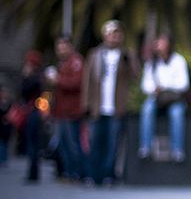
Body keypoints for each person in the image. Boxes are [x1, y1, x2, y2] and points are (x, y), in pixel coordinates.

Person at [81, 20, 139, 186]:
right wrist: (86, 105)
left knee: (113, 145)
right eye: (112, 33)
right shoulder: (94, 55)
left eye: (118, 33)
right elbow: (87, 82)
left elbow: (136, 77)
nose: (115, 37)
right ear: (105, 35)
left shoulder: (127, 54)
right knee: (95, 143)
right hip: (97, 107)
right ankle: (93, 176)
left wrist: (130, 60)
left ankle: (108, 175)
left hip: (117, 107)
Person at [137, 33, 190, 163]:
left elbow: (184, 84)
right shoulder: (151, 63)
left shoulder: (178, 60)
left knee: (176, 113)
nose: (159, 45)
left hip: (174, 99)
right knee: (147, 109)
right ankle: (145, 147)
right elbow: (145, 85)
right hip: (157, 99)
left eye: (162, 42)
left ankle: (177, 150)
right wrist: (154, 89)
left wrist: (165, 87)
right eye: (158, 43)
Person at [46, 36, 86, 181]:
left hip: (72, 112)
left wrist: (58, 80)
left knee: (73, 144)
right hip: (60, 112)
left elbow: (76, 83)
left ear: (70, 47)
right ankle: (67, 173)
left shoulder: (76, 62)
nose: (61, 50)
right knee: (62, 145)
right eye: (59, 47)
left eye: (64, 47)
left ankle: (77, 174)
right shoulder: (61, 64)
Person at [19, 50, 44, 182]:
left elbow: (25, 92)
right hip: (33, 112)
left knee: (33, 144)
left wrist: (26, 77)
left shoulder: (35, 78)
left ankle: (33, 173)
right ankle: (32, 172)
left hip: (33, 113)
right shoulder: (38, 76)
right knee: (32, 144)